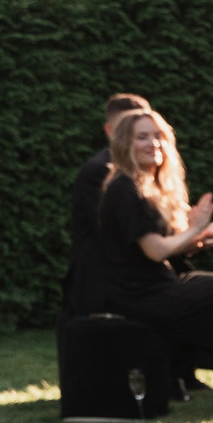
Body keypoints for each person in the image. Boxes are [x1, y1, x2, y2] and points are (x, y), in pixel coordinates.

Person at [94, 106, 213, 412]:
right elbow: (155, 250)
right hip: (138, 296)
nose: (153, 143)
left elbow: (167, 246)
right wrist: (197, 228)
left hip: (158, 285)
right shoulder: (124, 188)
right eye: (142, 137)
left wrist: (201, 234)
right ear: (124, 145)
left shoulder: (147, 186)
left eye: (158, 136)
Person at [66, 93, 150, 316]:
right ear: (109, 131)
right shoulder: (102, 172)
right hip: (109, 284)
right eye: (127, 128)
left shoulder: (143, 171)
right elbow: (118, 235)